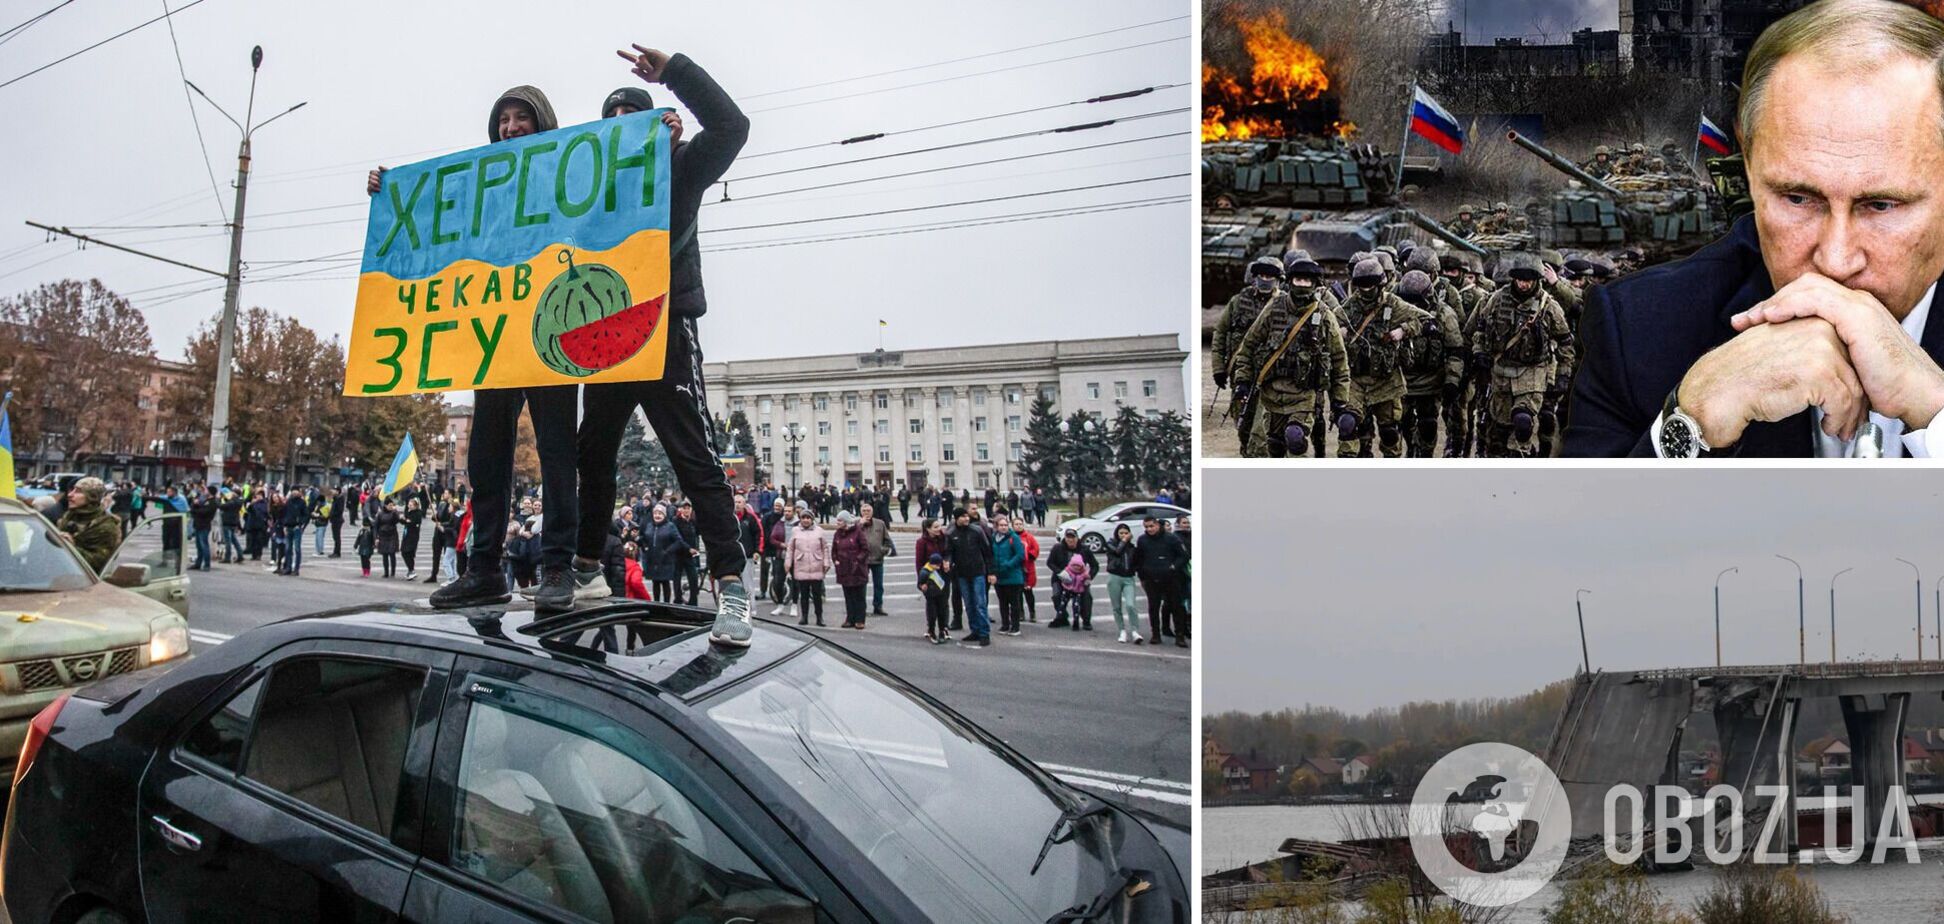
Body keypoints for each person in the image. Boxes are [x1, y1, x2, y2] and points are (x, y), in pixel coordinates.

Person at [1569, 0, 1944, 458]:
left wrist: (1937, 413)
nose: (1836, 259)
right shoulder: (1641, 332)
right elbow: (1586, 528)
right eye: (1797, 198)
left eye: (1881, 205)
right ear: (1748, 165)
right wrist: (1692, 420)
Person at [371, 85, 579, 613]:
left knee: (557, 454)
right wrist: (390, 192)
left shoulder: (568, 178)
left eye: (521, 119)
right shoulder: (479, 192)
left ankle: (558, 567)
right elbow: (433, 231)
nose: (510, 128)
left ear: (543, 124)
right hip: (495, 336)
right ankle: (484, 568)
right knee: (487, 456)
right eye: (503, 120)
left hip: (552, 330)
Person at [574, 45, 754, 648]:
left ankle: (731, 583)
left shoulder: (682, 168)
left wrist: (673, 73)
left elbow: (732, 126)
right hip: (606, 337)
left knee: (693, 456)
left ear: (659, 128)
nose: (623, 126)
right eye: (613, 122)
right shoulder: (587, 191)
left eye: (636, 118)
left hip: (665, 331)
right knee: (591, 454)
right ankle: (583, 571)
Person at [1230, 254, 1352, 457]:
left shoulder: (1323, 316)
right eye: (1298, 280)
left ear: (1315, 284)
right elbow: (1249, 345)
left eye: (1307, 280)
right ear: (1290, 281)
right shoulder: (1274, 308)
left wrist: (1340, 401)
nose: (1302, 285)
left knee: (1295, 437)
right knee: (1274, 446)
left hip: (1304, 395)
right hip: (1272, 394)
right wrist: (1242, 380)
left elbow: (1339, 361)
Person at [1467, 253, 1574, 458]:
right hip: (1501, 373)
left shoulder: (1549, 307)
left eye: (1528, 280)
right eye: (1520, 279)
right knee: (1497, 433)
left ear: (1536, 280)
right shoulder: (1497, 300)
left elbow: (1565, 342)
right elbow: (1480, 329)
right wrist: (1479, 352)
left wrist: (1562, 374)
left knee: (1523, 422)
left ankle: (1522, 457)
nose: (1523, 285)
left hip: (1532, 372)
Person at [1337, 257, 1430, 457]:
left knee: (1389, 433)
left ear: (1380, 284)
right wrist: (1340, 332)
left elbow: (1425, 318)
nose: (1366, 289)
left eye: (1370, 284)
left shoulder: (1393, 304)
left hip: (1386, 380)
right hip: (1356, 379)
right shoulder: (1349, 306)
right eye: (1362, 285)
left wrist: (1403, 330)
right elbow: (1329, 325)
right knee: (1348, 424)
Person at [1213, 255, 1287, 446]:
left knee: (1261, 433)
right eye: (1261, 275)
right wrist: (1218, 368)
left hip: (1272, 376)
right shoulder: (1238, 302)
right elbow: (1220, 333)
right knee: (1243, 427)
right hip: (1242, 374)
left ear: (1279, 279)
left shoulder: (1286, 304)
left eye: (1270, 276)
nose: (1265, 279)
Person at [1135, 516, 1190, 649]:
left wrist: (1173, 567)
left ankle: (1180, 636)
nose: (1149, 529)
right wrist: (1142, 577)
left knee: (1176, 607)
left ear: (1157, 525)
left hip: (1171, 578)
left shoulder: (1171, 538)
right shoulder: (1142, 540)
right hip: (1151, 579)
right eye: (1146, 527)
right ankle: (1156, 634)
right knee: (1153, 607)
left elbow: (1183, 556)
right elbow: (1138, 560)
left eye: (1151, 526)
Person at [943, 508, 994, 647]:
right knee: (969, 604)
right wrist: (947, 561)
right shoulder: (951, 533)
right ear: (956, 518)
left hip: (978, 571)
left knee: (980, 603)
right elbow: (948, 552)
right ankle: (975, 630)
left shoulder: (977, 531)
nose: (966, 519)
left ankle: (984, 633)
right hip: (962, 573)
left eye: (967, 516)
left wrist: (991, 572)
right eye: (963, 517)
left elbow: (987, 551)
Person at [56, 477, 121, 575]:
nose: (70, 495)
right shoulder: (69, 516)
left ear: (92, 497)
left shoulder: (105, 526)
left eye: (78, 492)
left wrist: (71, 547)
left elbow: (100, 563)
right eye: (72, 490)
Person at [1044, 529, 1099, 631]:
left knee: (1087, 598)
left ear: (1077, 538)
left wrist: (1089, 576)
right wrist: (1060, 572)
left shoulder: (1084, 550)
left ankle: (1086, 621)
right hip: (1060, 578)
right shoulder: (1057, 548)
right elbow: (1050, 562)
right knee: (1057, 596)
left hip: (1080, 579)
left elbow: (1095, 565)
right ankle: (1062, 617)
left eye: (1073, 538)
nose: (1071, 540)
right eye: (1068, 538)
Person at [785, 509, 829, 627]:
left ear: (812, 519)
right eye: (803, 518)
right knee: (803, 594)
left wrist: (826, 563)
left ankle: (819, 617)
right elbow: (790, 548)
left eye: (808, 518)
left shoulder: (819, 531)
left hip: (816, 565)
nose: (805, 520)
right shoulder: (795, 531)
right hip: (801, 565)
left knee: (817, 595)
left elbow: (825, 548)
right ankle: (804, 616)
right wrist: (788, 562)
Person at [1103, 523, 1144, 644]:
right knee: (1116, 606)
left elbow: (1137, 562)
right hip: (1114, 577)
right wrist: (1124, 541)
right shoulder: (1111, 544)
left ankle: (1135, 630)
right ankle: (1122, 630)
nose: (1124, 535)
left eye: (1126, 533)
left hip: (1128, 578)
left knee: (1131, 605)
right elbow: (1117, 552)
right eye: (1121, 533)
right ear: (1117, 534)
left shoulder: (1132, 548)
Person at [639, 504, 688, 602]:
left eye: (660, 513)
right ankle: (656, 604)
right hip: (652, 560)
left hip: (665, 560)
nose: (657, 516)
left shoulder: (670, 526)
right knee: (655, 583)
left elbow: (679, 541)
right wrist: (643, 545)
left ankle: (666, 605)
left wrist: (667, 551)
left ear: (664, 515)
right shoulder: (649, 525)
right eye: (655, 513)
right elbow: (644, 538)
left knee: (665, 583)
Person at [831, 511, 870, 629]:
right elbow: (834, 549)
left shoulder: (858, 532)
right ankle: (850, 618)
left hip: (857, 570)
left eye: (840, 520)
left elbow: (865, 549)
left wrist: (857, 560)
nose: (837, 523)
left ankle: (860, 619)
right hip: (843, 569)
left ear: (846, 522)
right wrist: (835, 560)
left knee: (859, 596)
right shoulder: (837, 534)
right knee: (848, 596)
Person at [990, 513, 1027, 636]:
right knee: (1003, 602)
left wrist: (1008, 565)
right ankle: (1005, 624)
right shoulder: (993, 538)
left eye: (1005, 525)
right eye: (1001, 525)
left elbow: (1020, 555)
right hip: (999, 577)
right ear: (996, 526)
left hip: (1013, 576)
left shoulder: (1014, 538)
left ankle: (1015, 626)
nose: (1004, 527)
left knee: (1014, 603)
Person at [858, 502, 892, 616]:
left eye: (868, 511)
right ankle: (861, 608)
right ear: (860, 512)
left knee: (879, 585)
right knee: (861, 585)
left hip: (877, 559)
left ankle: (878, 606)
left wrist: (884, 550)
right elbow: (851, 537)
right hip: (863, 560)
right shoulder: (856, 525)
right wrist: (859, 525)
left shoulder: (880, 523)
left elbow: (887, 539)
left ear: (872, 512)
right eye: (864, 511)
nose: (866, 513)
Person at [673, 501, 702, 605]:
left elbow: (699, 533)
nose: (686, 510)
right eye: (684, 508)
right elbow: (677, 538)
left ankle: (693, 600)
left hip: (690, 554)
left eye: (688, 508)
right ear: (680, 509)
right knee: (677, 577)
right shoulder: (675, 521)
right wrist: (688, 548)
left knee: (693, 578)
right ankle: (678, 599)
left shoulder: (693, 521)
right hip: (678, 553)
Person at [1057, 553, 1094, 634]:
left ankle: (1076, 621)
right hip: (1067, 589)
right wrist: (1064, 579)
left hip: (1078, 591)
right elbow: (1062, 576)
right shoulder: (1068, 570)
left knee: (1076, 606)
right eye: (1074, 565)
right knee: (1062, 604)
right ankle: (1059, 617)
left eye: (1078, 566)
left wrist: (1087, 581)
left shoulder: (1084, 573)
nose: (1076, 567)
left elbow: (1088, 579)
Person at [277, 488, 309, 576]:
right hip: (288, 527)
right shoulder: (289, 502)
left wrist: (301, 524)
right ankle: (288, 567)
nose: (294, 492)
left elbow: (306, 515)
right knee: (288, 549)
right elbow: (284, 514)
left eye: (296, 490)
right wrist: (284, 525)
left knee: (297, 549)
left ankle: (296, 569)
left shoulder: (302, 502)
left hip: (296, 528)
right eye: (293, 491)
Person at [919, 553, 950, 644]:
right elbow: (920, 583)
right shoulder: (925, 572)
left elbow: (947, 580)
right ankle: (931, 631)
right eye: (936, 565)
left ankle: (942, 631)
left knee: (942, 614)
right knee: (932, 615)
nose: (938, 567)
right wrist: (922, 587)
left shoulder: (941, 570)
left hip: (941, 595)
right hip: (931, 597)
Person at [187, 487, 215, 571]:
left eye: (206, 490)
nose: (204, 492)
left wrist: (195, 508)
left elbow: (203, 512)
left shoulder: (212, 502)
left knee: (204, 545)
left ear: (210, 492)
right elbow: (194, 508)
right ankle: (198, 563)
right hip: (198, 525)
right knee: (199, 546)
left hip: (204, 525)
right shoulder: (204, 500)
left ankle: (207, 564)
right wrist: (195, 505)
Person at [375, 501, 401, 579]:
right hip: (383, 535)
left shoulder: (393, 513)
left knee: (392, 553)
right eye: (389, 505)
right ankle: (386, 572)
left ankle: (393, 571)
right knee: (384, 554)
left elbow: (397, 520)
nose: (391, 507)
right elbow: (376, 526)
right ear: (385, 506)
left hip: (392, 535)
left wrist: (395, 511)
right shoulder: (380, 514)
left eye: (392, 505)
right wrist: (376, 537)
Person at [401, 498, 423, 579]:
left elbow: (412, 522)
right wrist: (403, 519)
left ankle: (411, 570)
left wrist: (406, 520)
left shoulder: (418, 513)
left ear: (416, 506)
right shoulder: (409, 512)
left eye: (411, 505)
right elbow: (405, 521)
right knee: (404, 552)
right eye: (408, 505)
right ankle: (411, 570)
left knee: (408, 553)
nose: (409, 506)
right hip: (406, 535)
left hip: (412, 536)